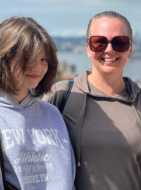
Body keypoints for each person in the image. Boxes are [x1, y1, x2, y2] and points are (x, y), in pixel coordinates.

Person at [43, 11, 141, 190]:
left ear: (130, 49)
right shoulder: (62, 94)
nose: (109, 50)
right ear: (88, 48)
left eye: (120, 42)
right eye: (99, 42)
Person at [0, 16, 75, 190]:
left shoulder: (52, 113)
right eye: (28, 58)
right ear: (4, 58)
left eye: (43, 60)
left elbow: (68, 178)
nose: (38, 68)